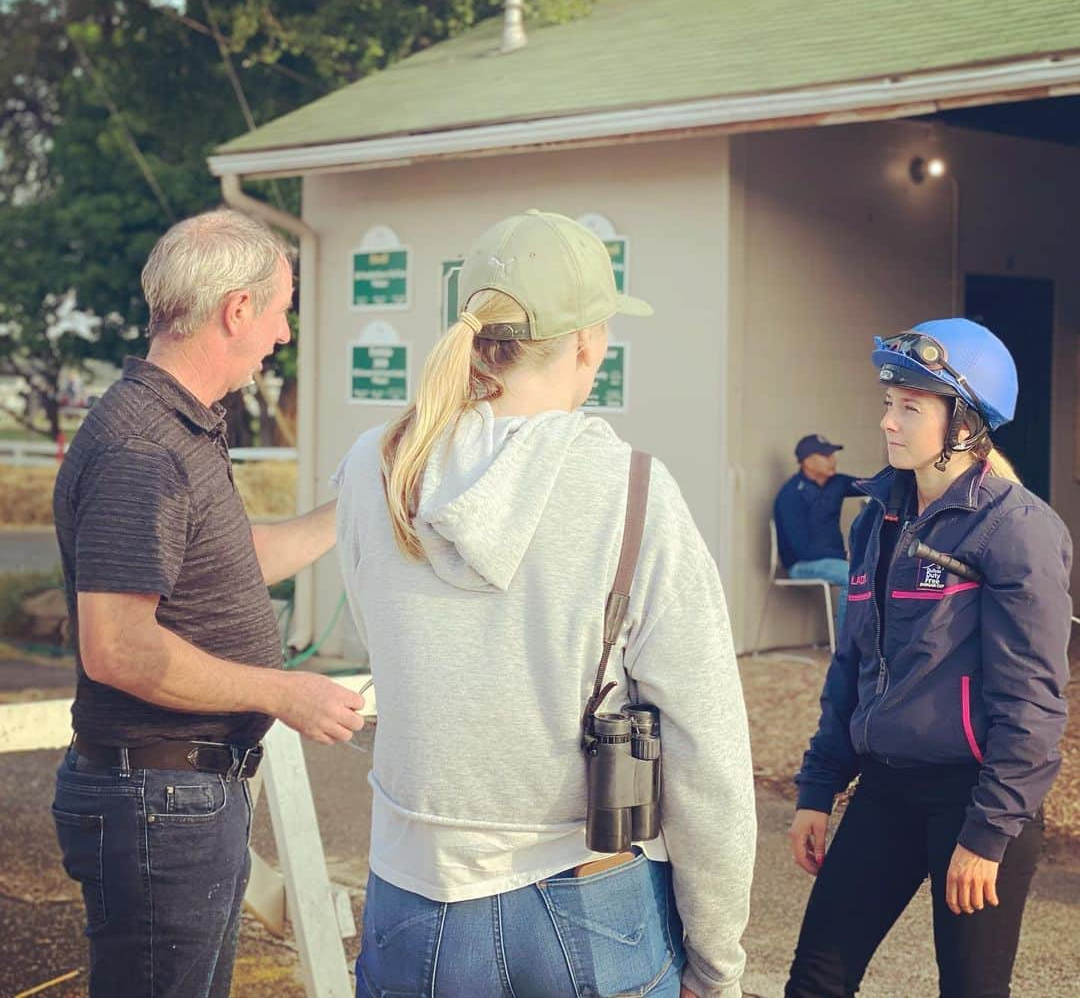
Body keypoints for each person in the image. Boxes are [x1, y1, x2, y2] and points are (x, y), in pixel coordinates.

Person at [334, 210, 756, 998]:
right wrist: (718, 960)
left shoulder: (374, 467)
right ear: (590, 343)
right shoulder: (631, 491)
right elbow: (709, 753)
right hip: (592, 891)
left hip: (414, 894)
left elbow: (384, 638)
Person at [50, 209, 366, 998]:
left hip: (179, 796)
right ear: (236, 311)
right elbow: (117, 647)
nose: (284, 333)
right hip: (157, 801)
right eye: (281, 309)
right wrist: (284, 692)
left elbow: (227, 563)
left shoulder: (177, 426)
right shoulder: (143, 447)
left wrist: (360, 508)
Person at [785, 319, 1071, 998]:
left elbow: (1032, 702)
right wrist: (818, 789)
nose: (888, 422)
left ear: (965, 421)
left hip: (972, 801)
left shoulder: (1016, 529)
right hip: (884, 791)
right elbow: (851, 668)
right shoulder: (876, 520)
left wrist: (990, 831)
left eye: (910, 407)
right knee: (815, 981)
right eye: (888, 403)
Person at [773, 434, 866, 635]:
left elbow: (875, 485)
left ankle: (867, 646)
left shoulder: (836, 483)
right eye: (826, 455)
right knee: (853, 576)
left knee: (871, 572)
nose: (833, 459)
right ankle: (846, 652)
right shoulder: (791, 495)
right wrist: (845, 555)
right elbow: (802, 550)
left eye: (833, 454)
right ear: (808, 461)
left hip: (835, 560)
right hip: (801, 564)